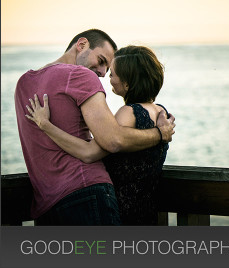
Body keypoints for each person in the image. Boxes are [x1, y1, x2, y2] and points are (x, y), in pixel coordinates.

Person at [14, 29, 175, 225]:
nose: (101, 73)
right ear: (81, 45)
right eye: (101, 61)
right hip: (86, 193)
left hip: (45, 203)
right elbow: (112, 140)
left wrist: (45, 124)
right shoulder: (81, 75)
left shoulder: (23, 83)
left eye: (108, 69)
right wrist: (160, 133)